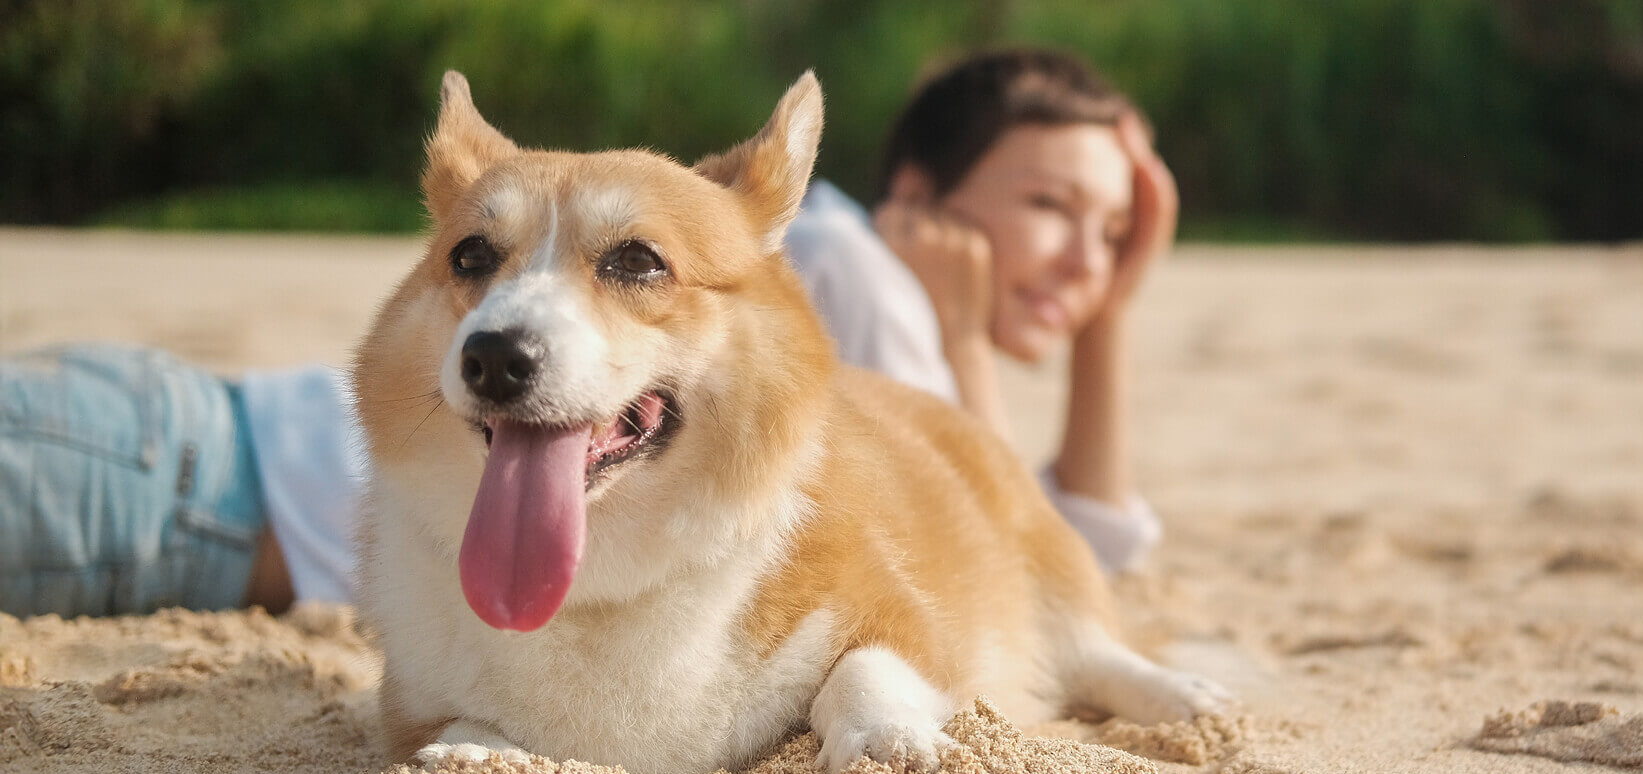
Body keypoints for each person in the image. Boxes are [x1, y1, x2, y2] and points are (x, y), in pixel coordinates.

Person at [0, 48, 1172, 619]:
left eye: (1116, 231)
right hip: (174, 489)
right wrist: (964, 345)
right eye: (1052, 207)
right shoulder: (838, 272)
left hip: (179, 466)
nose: (1087, 256)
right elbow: (1012, 558)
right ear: (920, 191)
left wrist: (1109, 322)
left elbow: (1057, 558)